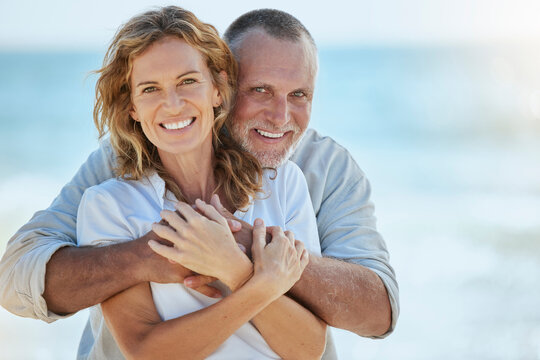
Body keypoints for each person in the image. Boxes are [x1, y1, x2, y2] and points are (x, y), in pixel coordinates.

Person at [0, 7, 399, 360]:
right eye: (259, 90)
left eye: (299, 95)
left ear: (213, 87)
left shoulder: (306, 172)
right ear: (225, 85)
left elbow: (374, 314)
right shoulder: (115, 177)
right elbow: (16, 275)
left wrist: (240, 252)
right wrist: (147, 256)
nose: (280, 116)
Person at [73, 7, 326, 359]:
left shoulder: (282, 183)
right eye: (150, 89)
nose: (173, 105)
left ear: (218, 90)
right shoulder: (109, 206)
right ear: (132, 107)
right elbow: (146, 351)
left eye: (188, 81)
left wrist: (232, 268)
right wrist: (258, 283)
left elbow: (309, 348)